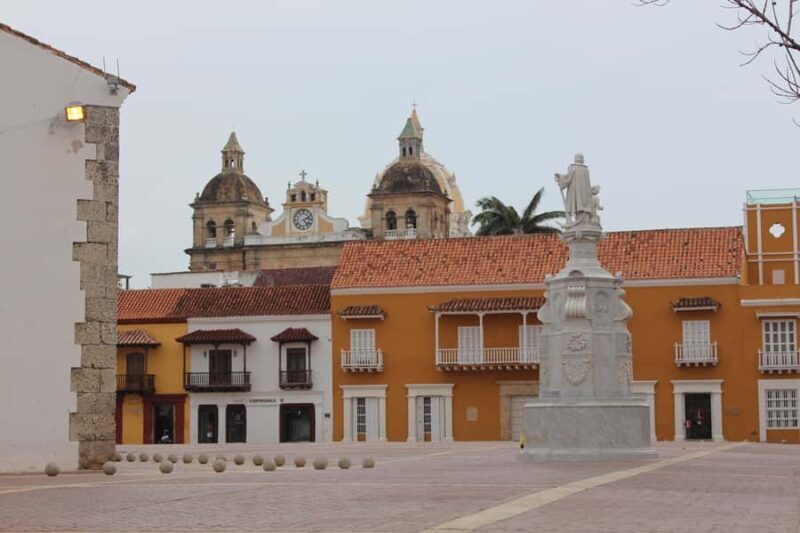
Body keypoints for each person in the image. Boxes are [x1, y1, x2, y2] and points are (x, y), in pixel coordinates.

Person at [555, 153, 593, 227]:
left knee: (572, 205)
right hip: (584, 193)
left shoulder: (572, 168)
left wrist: (560, 179)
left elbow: (567, 179)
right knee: (582, 207)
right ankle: (579, 221)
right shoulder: (586, 169)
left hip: (574, 192)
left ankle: (571, 221)